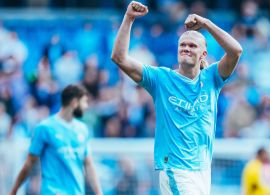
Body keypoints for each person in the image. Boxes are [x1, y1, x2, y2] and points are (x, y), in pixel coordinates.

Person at [111, 1, 243, 194]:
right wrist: (129, 18)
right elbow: (119, 58)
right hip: (176, 169)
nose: (186, 48)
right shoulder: (161, 79)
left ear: (203, 54)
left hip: (202, 170)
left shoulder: (212, 78)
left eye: (192, 45)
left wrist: (206, 23)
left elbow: (235, 51)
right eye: (182, 45)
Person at [10, 84, 102, 195]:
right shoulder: (45, 128)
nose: (86, 106)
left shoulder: (82, 129)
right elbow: (29, 164)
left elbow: (88, 164)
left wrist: (99, 193)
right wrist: (14, 190)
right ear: (74, 102)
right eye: (84, 102)